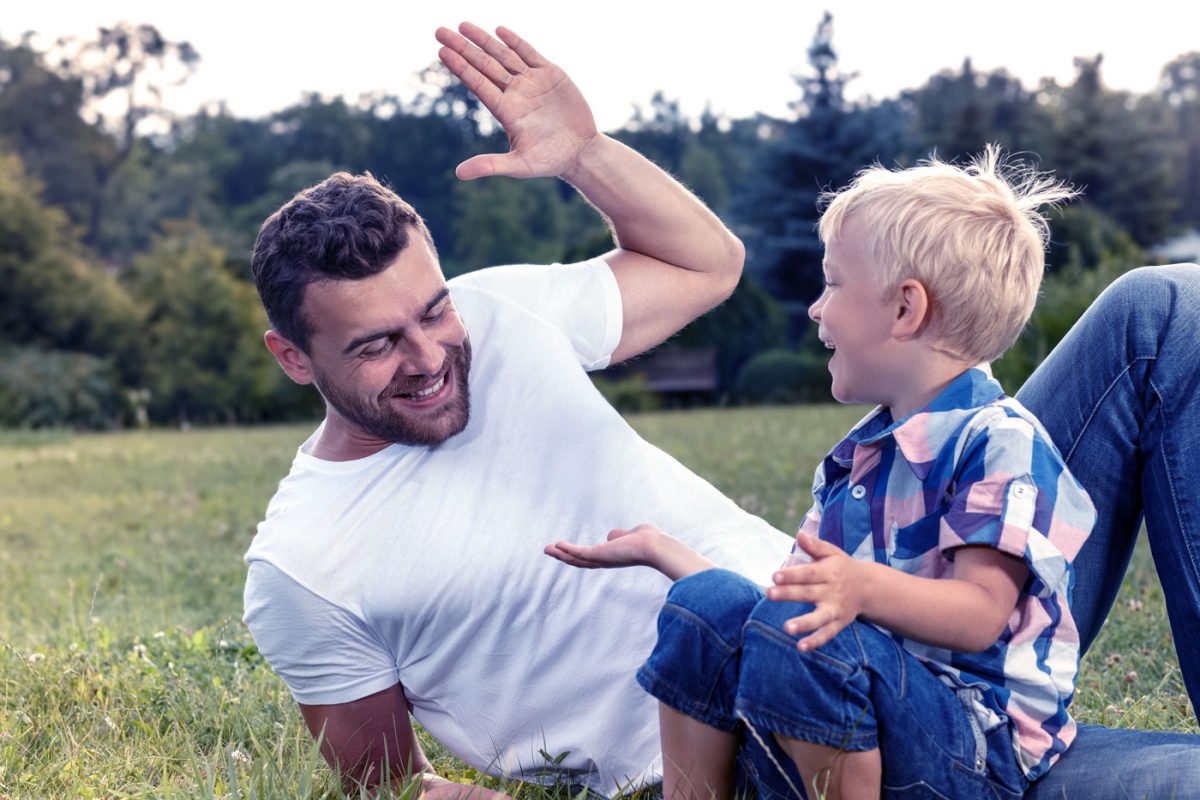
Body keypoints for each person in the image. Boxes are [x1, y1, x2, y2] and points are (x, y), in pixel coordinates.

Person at [242, 20, 1200, 800]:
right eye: (376, 345)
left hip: (922, 626)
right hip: (767, 751)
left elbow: (707, 263)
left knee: (1163, 314)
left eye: (433, 308)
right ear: (292, 357)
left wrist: (584, 154)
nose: (431, 357)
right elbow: (390, 785)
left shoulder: (500, 318)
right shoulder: (306, 565)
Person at [550, 150, 1095, 799]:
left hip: (973, 751)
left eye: (833, 283)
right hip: (856, 721)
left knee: (802, 623)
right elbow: (785, 606)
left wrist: (859, 586)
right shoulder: (859, 457)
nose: (815, 308)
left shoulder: (998, 441)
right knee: (707, 606)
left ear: (904, 310)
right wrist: (663, 551)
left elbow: (980, 615)